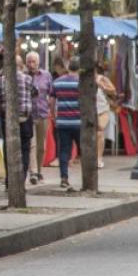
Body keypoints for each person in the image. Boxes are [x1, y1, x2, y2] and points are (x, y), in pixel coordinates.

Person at [0, 54, 35, 183]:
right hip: (25, 119)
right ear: (21, 66)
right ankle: (21, 179)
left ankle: (10, 180)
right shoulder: (28, 79)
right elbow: (35, 92)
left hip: (7, 120)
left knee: (9, 150)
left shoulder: (2, 81)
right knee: (25, 150)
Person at [24, 51, 55, 185]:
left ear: (38, 62)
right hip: (28, 115)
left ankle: (39, 170)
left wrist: (52, 110)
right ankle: (33, 172)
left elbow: (52, 93)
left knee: (41, 146)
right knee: (32, 144)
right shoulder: (23, 76)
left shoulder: (46, 75)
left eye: (33, 62)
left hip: (43, 113)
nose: (31, 65)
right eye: (29, 62)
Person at [51, 59, 81, 190]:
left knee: (64, 151)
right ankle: (87, 177)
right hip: (79, 122)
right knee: (84, 150)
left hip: (62, 122)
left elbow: (51, 101)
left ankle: (64, 177)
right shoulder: (81, 83)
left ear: (68, 67)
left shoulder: (57, 82)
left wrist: (54, 116)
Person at [94, 62, 117, 167]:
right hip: (90, 110)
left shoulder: (102, 78)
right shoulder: (84, 79)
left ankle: (99, 158)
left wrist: (102, 86)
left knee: (100, 132)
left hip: (102, 109)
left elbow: (113, 91)